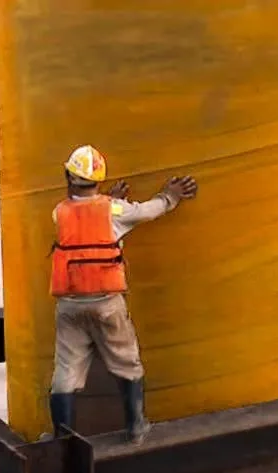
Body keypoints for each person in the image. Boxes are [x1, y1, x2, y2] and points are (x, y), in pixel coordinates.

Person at [44, 145, 198, 444]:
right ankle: (136, 428)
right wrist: (170, 196)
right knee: (127, 362)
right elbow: (145, 211)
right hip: (106, 303)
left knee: (66, 371)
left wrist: (109, 200)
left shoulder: (58, 212)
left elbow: (85, 219)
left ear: (68, 176)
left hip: (70, 304)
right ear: (99, 179)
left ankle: (61, 438)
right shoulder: (115, 210)